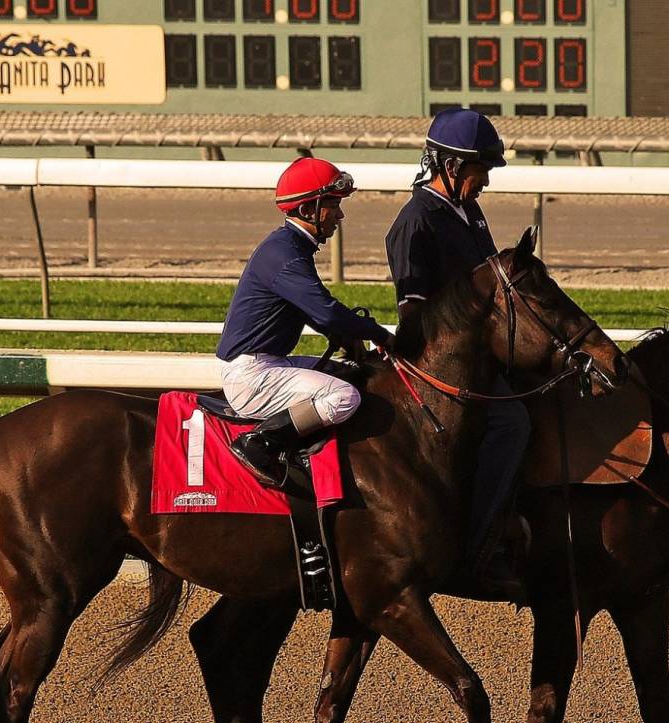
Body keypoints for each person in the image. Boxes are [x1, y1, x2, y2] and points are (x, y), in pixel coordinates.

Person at [384, 108, 528, 598]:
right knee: (512, 423)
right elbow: (413, 316)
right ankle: (478, 548)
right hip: (440, 366)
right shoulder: (415, 221)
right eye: (480, 170)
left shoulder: (469, 211)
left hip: (482, 355)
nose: (485, 181)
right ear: (450, 167)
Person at [218, 157, 394, 488]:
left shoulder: (290, 247)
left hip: (269, 363)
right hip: (253, 376)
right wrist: (381, 335)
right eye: (333, 206)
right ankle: (260, 443)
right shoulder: (284, 254)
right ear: (307, 209)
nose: (340, 215)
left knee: (350, 373)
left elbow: (314, 311)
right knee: (344, 397)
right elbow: (326, 311)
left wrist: (347, 338)